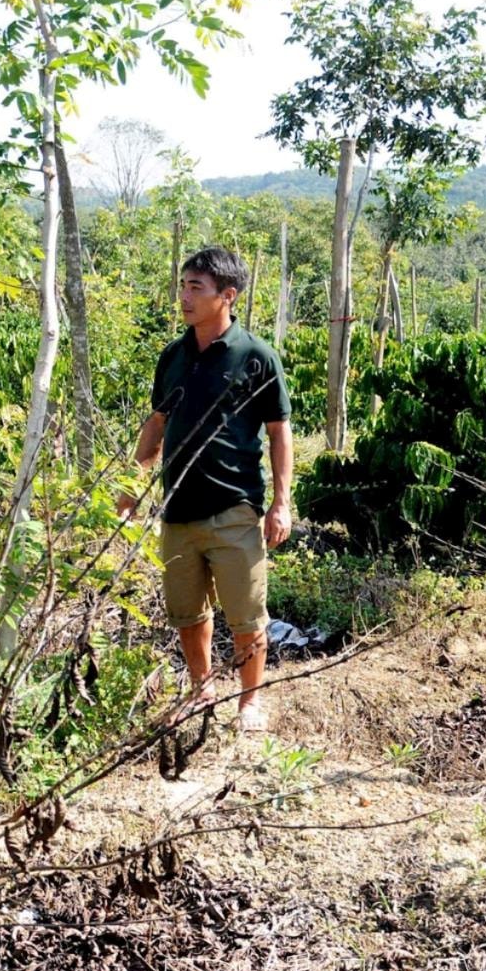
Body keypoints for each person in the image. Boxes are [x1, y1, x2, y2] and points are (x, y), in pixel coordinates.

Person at [116, 246, 292, 734]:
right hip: (177, 510)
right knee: (188, 613)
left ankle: (249, 704)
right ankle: (202, 690)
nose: (185, 297)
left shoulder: (256, 356)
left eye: (197, 288)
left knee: (245, 614)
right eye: (183, 286)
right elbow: (157, 423)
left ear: (227, 296)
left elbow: (279, 432)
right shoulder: (173, 355)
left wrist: (281, 502)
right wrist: (132, 487)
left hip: (234, 508)